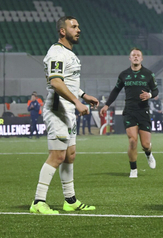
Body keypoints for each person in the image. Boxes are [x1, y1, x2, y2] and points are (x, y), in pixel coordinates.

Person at [30, 16, 99, 215]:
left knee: (70, 156)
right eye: (74, 26)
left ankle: (70, 200)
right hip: (57, 110)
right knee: (57, 155)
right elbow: (56, 82)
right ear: (62, 31)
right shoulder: (56, 53)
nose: (78, 30)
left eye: (79, 26)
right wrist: (78, 102)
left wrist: (84, 95)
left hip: (68, 111)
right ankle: (38, 201)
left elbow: (68, 83)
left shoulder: (70, 54)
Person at [100, 48, 159, 178]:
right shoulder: (124, 75)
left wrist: (149, 94)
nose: (136, 57)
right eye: (134, 55)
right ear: (130, 58)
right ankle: (133, 169)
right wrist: (106, 105)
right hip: (129, 111)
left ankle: (148, 153)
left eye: (138, 55)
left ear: (142, 58)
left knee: (145, 144)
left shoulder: (149, 74)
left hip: (143, 111)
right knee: (132, 141)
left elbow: (155, 91)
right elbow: (115, 91)